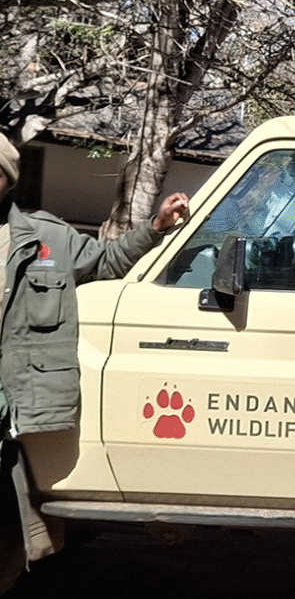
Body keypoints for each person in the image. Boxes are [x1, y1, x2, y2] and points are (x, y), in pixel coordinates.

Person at [0, 134, 189, 437]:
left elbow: (106, 261)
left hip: (15, 395)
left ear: (8, 181)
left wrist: (156, 226)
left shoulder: (47, 239)